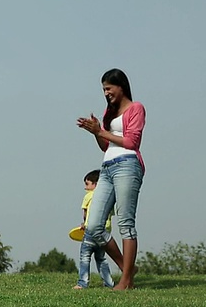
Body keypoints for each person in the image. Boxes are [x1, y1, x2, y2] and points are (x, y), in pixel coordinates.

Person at [77, 68, 146, 290]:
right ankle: (127, 268)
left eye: (108, 88)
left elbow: (132, 142)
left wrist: (101, 131)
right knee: (94, 225)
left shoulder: (136, 108)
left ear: (121, 86)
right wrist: (97, 132)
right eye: (103, 90)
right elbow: (107, 146)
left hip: (128, 165)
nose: (106, 93)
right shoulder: (111, 113)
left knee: (126, 223)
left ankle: (126, 281)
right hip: (107, 167)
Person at [73, 169, 114, 290]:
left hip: (91, 231)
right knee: (101, 258)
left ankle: (82, 283)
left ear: (96, 184)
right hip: (104, 233)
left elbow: (86, 214)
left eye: (87, 184)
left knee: (85, 257)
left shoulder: (88, 196)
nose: (85, 187)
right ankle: (109, 283)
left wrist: (84, 224)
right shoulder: (108, 198)